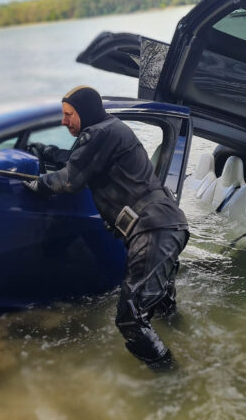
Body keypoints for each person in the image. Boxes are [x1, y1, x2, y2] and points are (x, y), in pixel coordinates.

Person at [23, 86, 189, 371]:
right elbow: (81, 160)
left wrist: (36, 184)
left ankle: (173, 381)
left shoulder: (99, 132)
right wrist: (47, 151)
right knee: (161, 307)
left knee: (130, 320)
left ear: (84, 112)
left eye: (68, 115)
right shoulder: (109, 130)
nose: (64, 122)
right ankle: (192, 341)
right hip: (166, 226)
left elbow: (69, 179)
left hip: (153, 231)